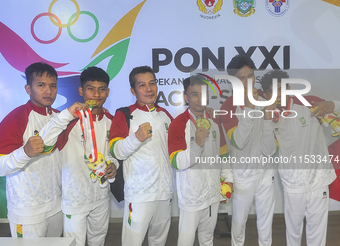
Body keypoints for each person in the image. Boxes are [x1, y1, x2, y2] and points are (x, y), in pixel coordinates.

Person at [38, 66, 118, 246]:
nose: (96, 95)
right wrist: (66, 116)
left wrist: (114, 165)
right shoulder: (68, 120)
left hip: (101, 196)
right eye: (91, 89)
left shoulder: (112, 121)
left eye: (102, 89)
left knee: (98, 240)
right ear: (81, 90)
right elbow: (44, 142)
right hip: (74, 199)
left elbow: (113, 153)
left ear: (108, 92)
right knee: (74, 243)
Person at [260, 69, 338, 246]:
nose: (279, 94)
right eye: (273, 91)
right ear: (265, 95)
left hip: (319, 179)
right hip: (292, 183)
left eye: (282, 88)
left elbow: (335, 109)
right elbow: (267, 151)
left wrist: (333, 104)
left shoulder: (307, 102)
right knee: (293, 232)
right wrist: (266, 120)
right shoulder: (268, 116)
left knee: (317, 232)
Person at [109, 65, 174, 246]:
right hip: (139, 195)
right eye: (142, 85)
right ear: (133, 90)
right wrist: (136, 138)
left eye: (152, 83)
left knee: (158, 241)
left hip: (164, 193)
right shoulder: (125, 114)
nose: (149, 89)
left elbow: (177, 147)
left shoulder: (165, 115)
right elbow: (116, 150)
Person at [168, 75, 233, 246]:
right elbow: (176, 162)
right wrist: (197, 145)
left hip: (212, 194)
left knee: (207, 238)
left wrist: (229, 179)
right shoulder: (178, 124)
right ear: (186, 97)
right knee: (186, 241)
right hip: (191, 197)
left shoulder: (214, 121)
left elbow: (223, 154)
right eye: (194, 94)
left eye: (203, 94)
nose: (199, 99)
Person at [0, 62, 64, 237]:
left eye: (53, 85)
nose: (48, 91)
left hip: (57, 205)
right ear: (28, 89)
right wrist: (25, 152)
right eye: (41, 85)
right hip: (27, 211)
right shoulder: (15, 119)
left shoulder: (60, 118)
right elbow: (1, 166)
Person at [220, 55, 277, 246]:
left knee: (265, 224)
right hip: (243, 175)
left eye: (250, 76)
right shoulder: (228, 106)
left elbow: (270, 149)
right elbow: (240, 142)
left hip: (266, 172)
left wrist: (267, 117)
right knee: (239, 223)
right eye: (242, 78)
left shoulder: (266, 99)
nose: (248, 82)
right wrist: (249, 108)